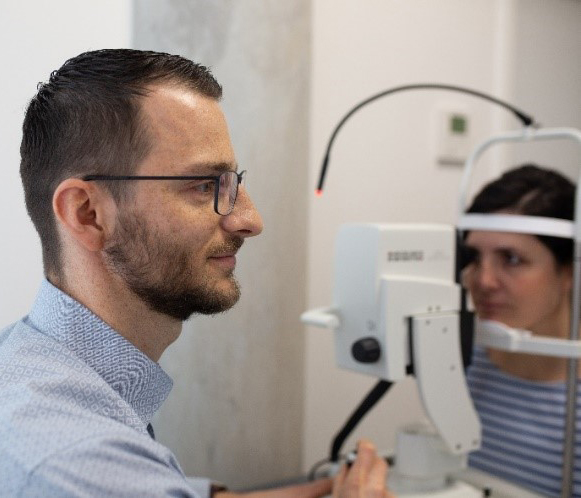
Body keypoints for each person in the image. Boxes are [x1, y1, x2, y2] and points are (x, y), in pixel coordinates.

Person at [0, 49, 392, 498]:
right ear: (88, 214)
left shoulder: (28, 361)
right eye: (205, 186)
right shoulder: (75, 460)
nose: (251, 219)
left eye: (232, 183)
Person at [461, 164, 581, 497]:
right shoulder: (470, 362)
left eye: (511, 259)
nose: (483, 281)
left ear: (569, 270)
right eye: (474, 257)